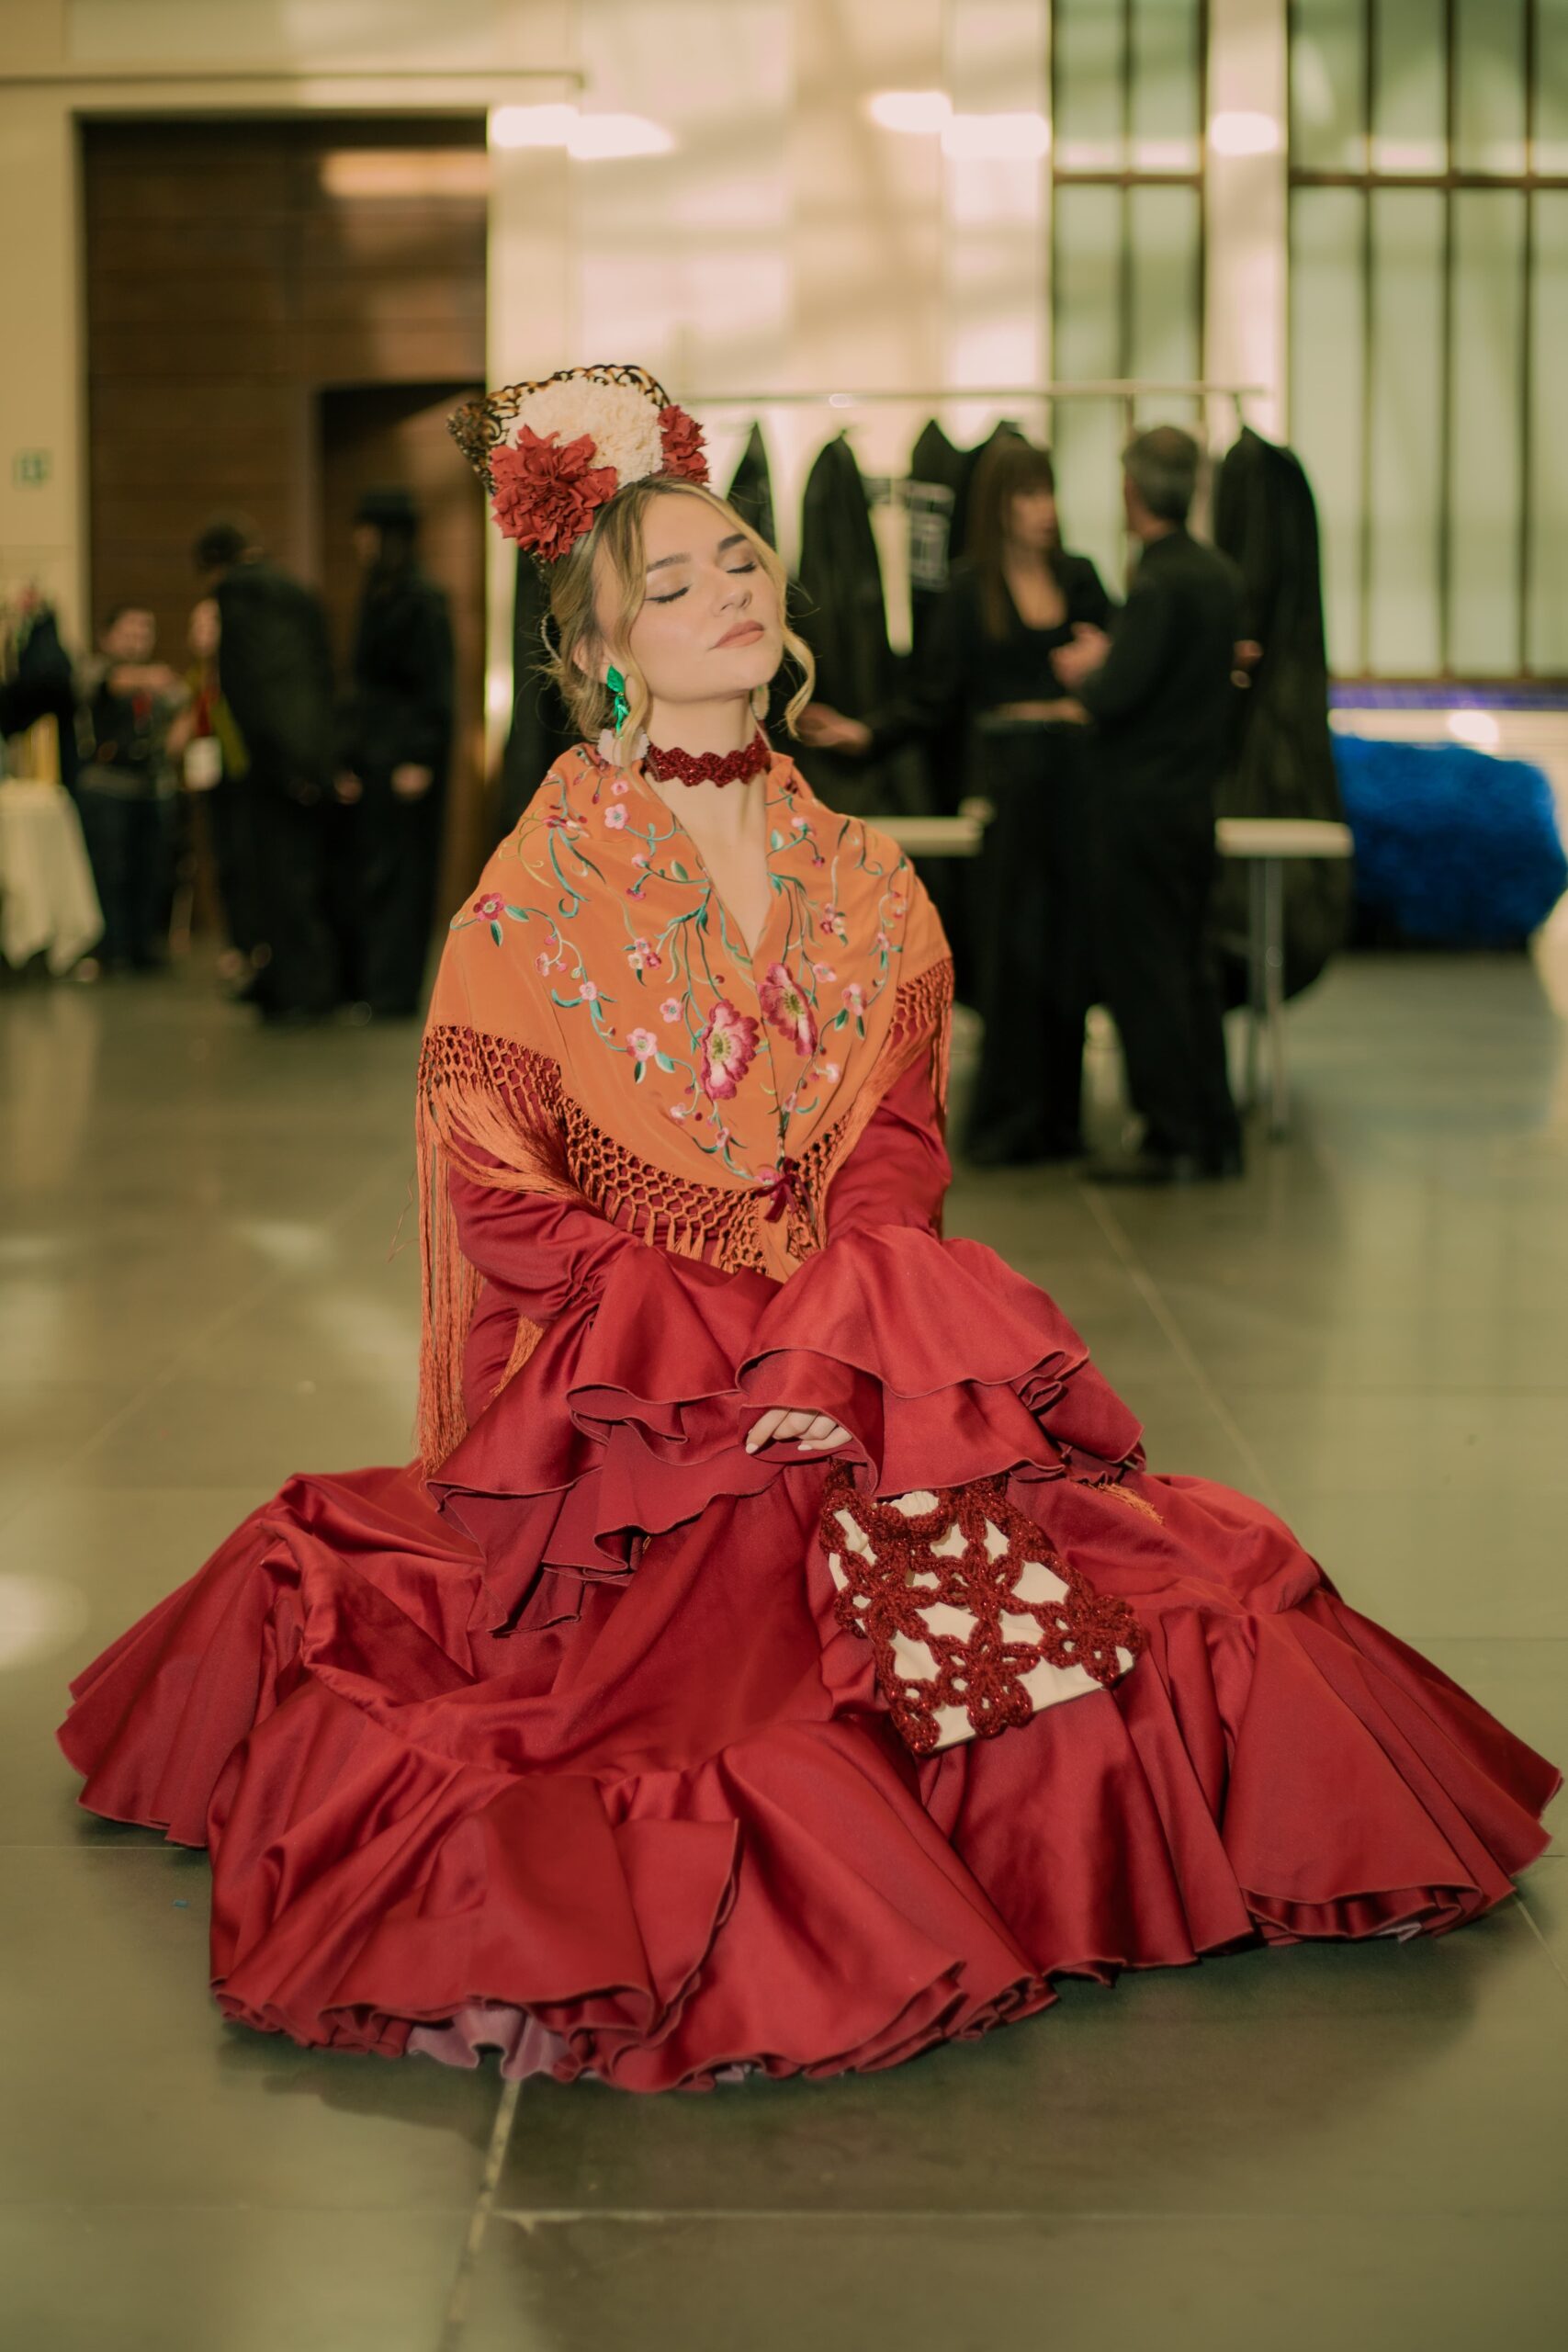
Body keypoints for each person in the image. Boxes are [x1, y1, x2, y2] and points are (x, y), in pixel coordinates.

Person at [59, 365, 1556, 2093]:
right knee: (687, 1698)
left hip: (854, 1358)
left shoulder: (865, 873)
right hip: (644, 1409)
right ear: (594, 646)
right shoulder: (535, 889)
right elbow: (498, 1183)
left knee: (1131, 1608)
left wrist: (840, 1340)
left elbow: (895, 1149)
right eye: (675, 581)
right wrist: (703, 1349)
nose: (735, 593)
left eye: (744, 562)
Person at [803, 436, 1110, 1163]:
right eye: (1026, 495)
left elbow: (1123, 667)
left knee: (1069, 957)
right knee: (1013, 954)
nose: (1043, 509)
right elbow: (933, 698)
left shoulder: (1083, 579)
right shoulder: (971, 590)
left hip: (1077, 791)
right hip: (1007, 794)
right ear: (998, 507)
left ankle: (1062, 1122)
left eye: (1046, 492)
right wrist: (865, 736)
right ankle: (1010, 1123)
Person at [1053, 426, 1245, 1182]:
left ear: (1132, 491)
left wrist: (1085, 670)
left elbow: (1114, 694)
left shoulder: (1160, 580)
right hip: (1193, 801)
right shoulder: (1220, 575)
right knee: (1191, 966)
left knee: (1147, 973)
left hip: (1137, 807)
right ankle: (1211, 1130)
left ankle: (1167, 1133)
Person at [194, 514, 337, 1026]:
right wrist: (317, 759)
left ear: (213, 567)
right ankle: (305, 983)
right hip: (308, 753)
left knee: (275, 880)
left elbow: (254, 688)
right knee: (303, 875)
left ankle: (296, 990)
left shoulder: (237, 595)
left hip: (270, 762)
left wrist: (278, 760)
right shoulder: (294, 591)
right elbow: (316, 678)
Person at [333, 487, 456, 1019]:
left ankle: (393, 992)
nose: (358, 541)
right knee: (376, 874)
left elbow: (435, 688)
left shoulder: (421, 600)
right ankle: (373, 985)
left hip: (406, 759)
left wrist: (421, 758)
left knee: (404, 877)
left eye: (367, 531)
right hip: (375, 754)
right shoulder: (378, 593)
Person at [73, 605, 187, 973]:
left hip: (151, 787)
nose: (138, 641)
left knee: (151, 871)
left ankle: (143, 947)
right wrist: (151, 678)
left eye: (145, 633)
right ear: (108, 637)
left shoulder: (159, 684)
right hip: (107, 786)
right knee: (111, 871)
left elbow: (186, 704)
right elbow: (104, 683)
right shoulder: (98, 669)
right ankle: (114, 948)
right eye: (129, 632)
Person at [165, 596, 261, 994]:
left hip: (245, 779)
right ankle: (236, 944)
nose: (205, 634)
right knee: (225, 862)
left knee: (249, 858)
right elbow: (178, 737)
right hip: (212, 780)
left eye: (212, 625)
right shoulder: (193, 680)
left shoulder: (243, 675)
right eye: (198, 626)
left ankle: (257, 943)